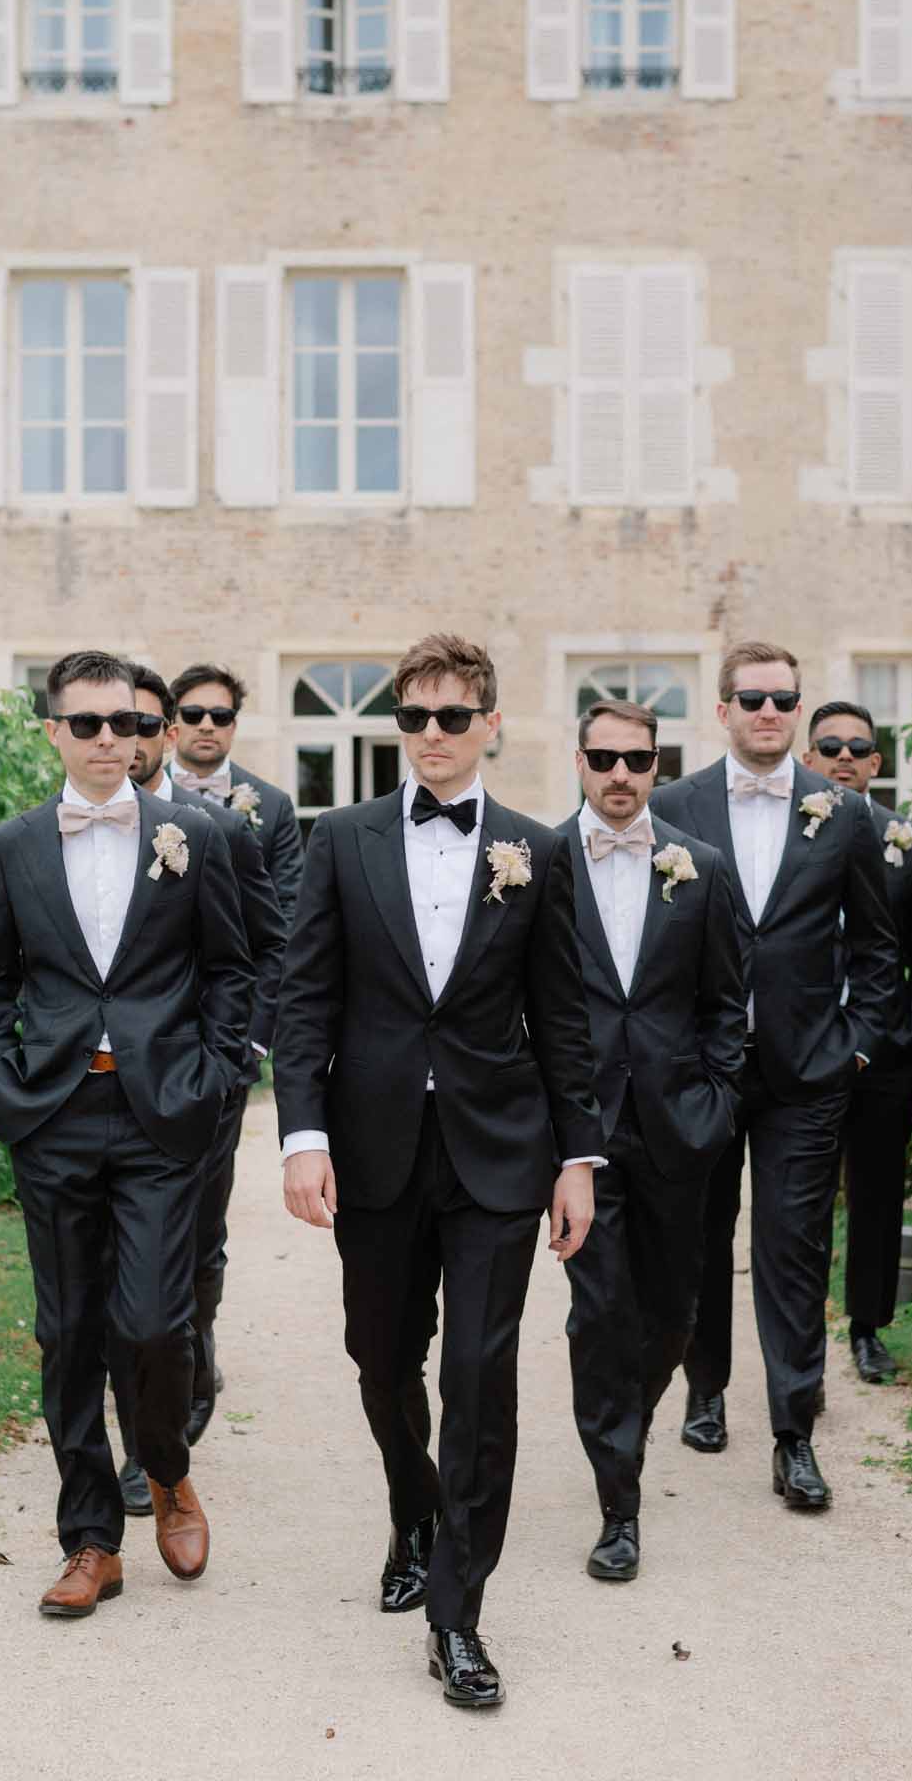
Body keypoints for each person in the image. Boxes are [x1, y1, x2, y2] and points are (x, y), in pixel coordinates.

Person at [273, 633, 602, 1708]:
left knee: (479, 1371)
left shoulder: (533, 851)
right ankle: (411, 1505)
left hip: (498, 1153)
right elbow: (303, 998)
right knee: (380, 1354)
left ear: (489, 725)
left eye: (451, 716)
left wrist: (577, 1158)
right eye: (412, 717)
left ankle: (457, 1610)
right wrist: (301, 1133)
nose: (430, 736)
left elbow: (563, 1015)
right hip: (370, 1146)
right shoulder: (341, 838)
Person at [0, 649, 254, 1617]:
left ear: (145, 734)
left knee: (153, 1322)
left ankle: (166, 1467)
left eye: (124, 725)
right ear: (52, 729)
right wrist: (0, 1080)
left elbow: (230, 968)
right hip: (51, 1112)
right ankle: (90, 1538)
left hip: (159, 1114)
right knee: (66, 1332)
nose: (106, 741)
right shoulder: (10, 846)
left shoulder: (195, 835)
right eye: (85, 723)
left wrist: (213, 1077)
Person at [651, 641, 897, 1510]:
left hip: (807, 1071)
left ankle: (793, 1434)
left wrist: (857, 1044)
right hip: (703, 1070)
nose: (767, 712)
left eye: (782, 700)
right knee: (699, 1237)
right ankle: (706, 1387)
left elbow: (875, 945)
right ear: (721, 710)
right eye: (750, 698)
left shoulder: (843, 812)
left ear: (797, 710)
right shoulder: (670, 807)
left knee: (792, 1250)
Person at [560, 699, 745, 1581]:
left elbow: (724, 1006)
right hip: (578, 1136)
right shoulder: (537, 862)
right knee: (599, 1314)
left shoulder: (699, 867)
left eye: (635, 760)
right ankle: (618, 1503)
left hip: (679, 1127)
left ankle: (621, 1430)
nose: (619, 775)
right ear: (579, 762)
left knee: (670, 1313)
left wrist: (715, 1102)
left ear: (657, 765)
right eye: (603, 759)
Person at [106, 665, 287, 1517]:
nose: (132, 740)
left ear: (167, 736)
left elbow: (267, 943)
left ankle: (180, 1378)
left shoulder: (228, 824)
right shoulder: (65, 826)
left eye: (146, 726)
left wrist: (238, 1054)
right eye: (119, 724)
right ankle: (142, 1426)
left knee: (191, 1250)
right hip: (96, 1091)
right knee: (121, 1271)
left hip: (196, 1080)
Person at [804, 700, 912, 1384]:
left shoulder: (906, 842)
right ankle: (798, 1336)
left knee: (877, 1191)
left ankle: (866, 1329)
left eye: (857, 747)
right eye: (829, 746)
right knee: (797, 1199)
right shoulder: (785, 835)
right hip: (802, 1049)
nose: (843, 757)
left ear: (875, 763)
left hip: (886, 1052)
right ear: (809, 758)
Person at [168, 661, 304, 926]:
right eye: (193, 714)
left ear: (233, 726)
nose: (207, 725)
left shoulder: (275, 805)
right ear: (173, 722)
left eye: (220, 716)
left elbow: (290, 902)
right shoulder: (141, 795)